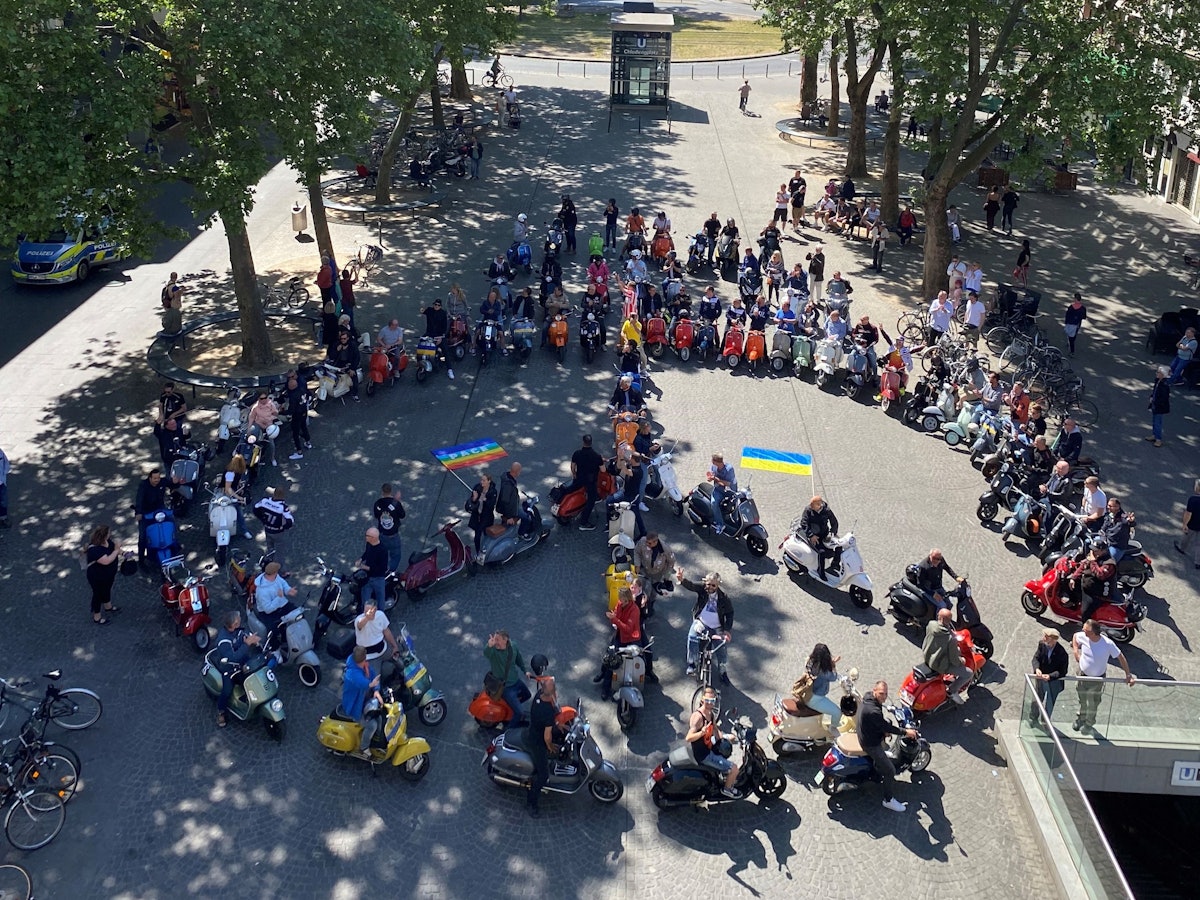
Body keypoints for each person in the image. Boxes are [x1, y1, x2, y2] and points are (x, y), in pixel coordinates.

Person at [857, 680, 919, 812]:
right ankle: (888, 800)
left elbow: (879, 723)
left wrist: (883, 730)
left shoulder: (868, 697)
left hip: (865, 732)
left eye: (886, 694)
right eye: (881, 693)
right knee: (890, 771)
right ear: (874, 691)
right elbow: (886, 726)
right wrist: (906, 732)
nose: (884, 697)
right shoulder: (874, 710)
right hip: (870, 743)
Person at [1071, 620, 1135, 732]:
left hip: (1097, 680)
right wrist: (1076, 652)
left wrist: (1128, 674)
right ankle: (1081, 717)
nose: (1083, 631)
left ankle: (1089, 723)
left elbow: (1121, 657)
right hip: (1082, 675)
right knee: (1082, 699)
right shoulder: (1083, 636)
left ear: (1093, 633)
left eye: (1086, 630)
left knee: (1093, 702)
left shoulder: (1107, 644)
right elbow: (1075, 637)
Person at [593, 587, 655, 697]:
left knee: (641, 657)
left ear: (627, 599)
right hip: (620, 636)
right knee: (610, 658)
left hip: (632, 638)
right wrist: (613, 617)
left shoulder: (634, 610)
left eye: (622, 599)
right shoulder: (620, 604)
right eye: (620, 599)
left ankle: (646, 673)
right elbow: (617, 616)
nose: (620, 602)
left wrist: (615, 619)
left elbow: (628, 629)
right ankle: (605, 685)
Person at [678, 568, 733, 683]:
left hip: (717, 627)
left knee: (721, 648)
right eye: (708, 584)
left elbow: (730, 613)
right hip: (701, 622)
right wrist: (682, 580)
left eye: (713, 585)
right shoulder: (703, 589)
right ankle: (692, 664)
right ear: (705, 583)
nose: (710, 587)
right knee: (692, 637)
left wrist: (727, 630)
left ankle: (722, 670)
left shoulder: (724, 597)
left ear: (718, 585)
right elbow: (692, 586)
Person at [686, 687, 741, 797]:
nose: (710, 703)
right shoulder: (698, 717)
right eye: (707, 700)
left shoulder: (710, 714)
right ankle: (727, 789)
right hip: (704, 755)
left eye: (712, 701)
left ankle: (722, 775)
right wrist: (701, 733)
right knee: (734, 769)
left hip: (709, 747)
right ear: (702, 700)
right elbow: (688, 737)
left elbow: (715, 728)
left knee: (727, 746)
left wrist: (724, 737)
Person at [213, 610, 261, 727]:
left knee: (255, 671)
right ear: (234, 624)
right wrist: (247, 644)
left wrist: (251, 639)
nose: (240, 621)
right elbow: (233, 657)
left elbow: (243, 635)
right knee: (227, 690)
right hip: (229, 667)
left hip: (242, 660)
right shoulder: (223, 641)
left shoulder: (238, 629)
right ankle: (221, 711)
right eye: (238, 620)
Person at [525, 675, 561, 817]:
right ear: (551, 693)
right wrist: (550, 746)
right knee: (543, 775)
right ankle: (531, 802)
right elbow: (547, 737)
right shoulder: (547, 712)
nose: (556, 691)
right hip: (537, 741)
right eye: (554, 689)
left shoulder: (539, 694)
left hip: (535, 729)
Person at [342, 646, 385, 759]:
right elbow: (362, 682)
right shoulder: (352, 673)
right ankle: (364, 748)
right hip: (355, 707)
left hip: (365, 701)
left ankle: (376, 739)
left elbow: (373, 676)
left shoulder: (361, 664)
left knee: (380, 715)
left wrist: (376, 690)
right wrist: (372, 685)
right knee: (372, 725)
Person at [923, 608, 973, 704]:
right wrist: (961, 660)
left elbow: (941, 632)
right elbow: (954, 660)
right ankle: (952, 691)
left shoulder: (931, 624)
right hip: (939, 665)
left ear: (939, 617)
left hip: (928, 657)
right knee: (968, 673)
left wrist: (950, 631)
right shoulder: (950, 639)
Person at [484, 630, 529, 729]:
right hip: (505, 687)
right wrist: (489, 646)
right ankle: (508, 730)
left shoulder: (513, 647)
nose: (495, 642)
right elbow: (486, 653)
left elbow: (518, 659)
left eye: (497, 640)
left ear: (506, 640)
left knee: (527, 695)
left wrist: (525, 671)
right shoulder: (494, 652)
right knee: (520, 713)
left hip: (515, 681)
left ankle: (511, 708)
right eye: (494, 639)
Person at [1067, 539, 1118, 624]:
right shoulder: (1094, 556)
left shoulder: (1109, 564)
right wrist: (1074, 577)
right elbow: (1083, 566)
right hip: (1087, 585)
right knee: (1067, 583)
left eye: (1096, 550)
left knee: (1085, 613)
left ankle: (1086, 627)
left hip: (1097, 594)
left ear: (1103, 550)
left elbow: (1100, 575)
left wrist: (1093, 561)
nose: (1093, 552)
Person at [562, 435, 603, 532]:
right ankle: (583, 522)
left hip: (579, 479)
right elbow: (603, 470)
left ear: (583, 442)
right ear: (591, 442)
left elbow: (573, 467)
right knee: (591, 500)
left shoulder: (577, 453)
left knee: (570, 490)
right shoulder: (596, 456)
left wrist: (574, 475)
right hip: (590, 482)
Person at [803, 643, 843, 738]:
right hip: (816, 698)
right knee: (837, 712)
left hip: (808, 694)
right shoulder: (823, 671)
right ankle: (833, 728)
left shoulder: (810, 662)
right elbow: (833, 677)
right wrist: (833, 665)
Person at [1029, 629, 1069, 724]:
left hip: (1054, 683)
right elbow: (1036, 658)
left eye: (1046, 637)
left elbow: (1062, 671)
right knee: (1036, 700)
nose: (1044, 638)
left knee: (1049, 704)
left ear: (1052, 639)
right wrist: (1037, 669)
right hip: (1041, 679)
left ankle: (1045, 722)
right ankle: (1033, 718)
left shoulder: (1062, 653)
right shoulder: (1042, 645)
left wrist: (1050, 676)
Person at [84, 525, 122, 625]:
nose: (110, 534)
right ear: (104, 535)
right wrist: (117, 550)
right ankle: (97, 617)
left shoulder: (107, 541)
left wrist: (123, 553)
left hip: (108, 574)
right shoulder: (94, 549)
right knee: (98, 594)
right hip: (97, 576)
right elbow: (106, 561)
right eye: (109, 533)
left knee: (107, 589)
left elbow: (113, 549)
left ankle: (108, 606)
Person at [252, 561, 299, 640]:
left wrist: (288, 590)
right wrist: (279, 597)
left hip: (281, 604)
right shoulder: (261, 591)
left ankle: (289, 636)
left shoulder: (276, 577)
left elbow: (283, 583)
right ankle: (274, 645)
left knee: (297, 613)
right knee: (273, 631)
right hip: (267, 613)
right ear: (273, 573)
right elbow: (268, 609)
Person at [800, 495, 841, 582]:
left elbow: (834, 522)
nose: (811, 507)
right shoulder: (808, 510)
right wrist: (811, 535)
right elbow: (804, 523)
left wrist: (832, 533)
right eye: (811, 505)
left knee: (839, 546)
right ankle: (820, 571)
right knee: (822, 552)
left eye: (814, 505)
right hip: (814, 536)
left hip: (825, 534)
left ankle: (835, 563)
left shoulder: (826, 510)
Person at [253, 487, 295, 569]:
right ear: (283, 496)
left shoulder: (265, 501)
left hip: (267, 529)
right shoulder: (283, 507)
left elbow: (255, 509)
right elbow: (290, 521)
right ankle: (280, 570)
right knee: (280, 551)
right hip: (278, 532)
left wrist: (263, 520)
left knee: (270, 547)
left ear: (274, 494)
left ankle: (268, 564)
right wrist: (284, 526)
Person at [134, 469, 167, 568]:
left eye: (158, 478)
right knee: (143, 537)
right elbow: (139, 499)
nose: (157, 480)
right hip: (146, 513)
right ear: (150, 478)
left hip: (158, 512)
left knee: (166, 528)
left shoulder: (162, 482)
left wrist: (176, 483)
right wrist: (138, 512)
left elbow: (171, 483)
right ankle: (141, 560)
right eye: (155, 478)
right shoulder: (143, 485)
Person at [355, 596, 401, 662]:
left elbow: (386, 631)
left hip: (382, 649)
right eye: (365, 611)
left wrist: (395, 646)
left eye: (369, 611)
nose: (366, 613)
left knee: (398, 662)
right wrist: (367, 618)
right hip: (368, 656)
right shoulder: (359, 619)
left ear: (375, 609)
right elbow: (359, 625)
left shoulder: (381, 615)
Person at [372, 484, 405, 573]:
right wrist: (396, 501)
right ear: (391, 491)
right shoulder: (396, 504)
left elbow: (377, 515)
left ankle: (381, 568)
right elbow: (402, 515)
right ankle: (390, 572)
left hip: (382, 535)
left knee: (382, 553)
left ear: (382, 491)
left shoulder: (378, 503)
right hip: (393, 536)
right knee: (396, 556)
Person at [353, 527, 390, 608]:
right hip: (367, 577)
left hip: (378, 578)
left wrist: (365, 567)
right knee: (365, 601)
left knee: (380, 600)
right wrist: (361, 559)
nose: (365, 537)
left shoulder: (383, 550)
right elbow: (367, 553)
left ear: (373, 538)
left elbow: (382, 569)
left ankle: (380, 614)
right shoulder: (369, 544)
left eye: (367, 536)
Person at [497, 462, 533, 539]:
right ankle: (522, 533)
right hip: (511, 509)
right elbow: (505, 501)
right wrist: (509, 517)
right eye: (520, 471)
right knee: (526, 518)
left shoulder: (508, 478)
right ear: (517, 472)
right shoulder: (508, 485)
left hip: (510, 506)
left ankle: (505, 527)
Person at [420, 298, 454, 380]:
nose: (436, 306)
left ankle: (449, 369)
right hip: (429, 333)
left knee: (445, 350)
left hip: (439, 335)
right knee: (421, 343)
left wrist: (440, 337)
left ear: (440, 306)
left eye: (438, 305)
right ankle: (420, 361)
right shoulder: (429, 310)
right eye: (435, 304)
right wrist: (422, 306)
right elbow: (423, 311)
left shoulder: (443, 313)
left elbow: (444, 327)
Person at [223, 455, 253, 540]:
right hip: (227, 495)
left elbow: (237, 481)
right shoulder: (230, 474)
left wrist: (240, 486)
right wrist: (239, 497)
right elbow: (228, 489)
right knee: (236, 513)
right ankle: (241, 531)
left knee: (239, 514)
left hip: (233, 492)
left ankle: (244, 531)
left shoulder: (236, 471)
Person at [246, 392, 280, 468]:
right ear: (258, 399)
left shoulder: (271, 405)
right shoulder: (255, 407)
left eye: (265, 398)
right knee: (254, 438)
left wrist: (272, 417)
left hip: (269, 426)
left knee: (271, 444)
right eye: (262, 398)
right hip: (259, 424)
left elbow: (276, 414)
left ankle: (272, 458)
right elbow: (252, 417)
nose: (264, 400)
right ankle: (252, 457)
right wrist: (249, 428)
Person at [706, 453, 737, 536]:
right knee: (714, 503)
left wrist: (716, 479)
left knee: (736, 504)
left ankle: (735, 519)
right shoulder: (714, 467)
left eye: (713, 460)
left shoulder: (729, 469)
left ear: (716, 462)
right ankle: (720, 524)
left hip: (730, 491)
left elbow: (728, 483)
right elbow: (711, 473)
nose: (712, 462)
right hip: (719, 490)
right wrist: (710, 477)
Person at [466, 473, 498, 553]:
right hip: (477, 516)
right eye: (481, 480)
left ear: (489, 481)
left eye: (484, 480)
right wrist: (474, 498)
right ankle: (478, 552)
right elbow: (471, 503)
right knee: (477, 536)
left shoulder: (493, 491)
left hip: (486, 517)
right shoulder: (477, 488)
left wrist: (485, 500)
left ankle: (487, 548)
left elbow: (492, 505)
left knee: (487, 534)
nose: (481, 482)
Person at [284, 371, 311, 461]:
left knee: (295, 433)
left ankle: (299, 452)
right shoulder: (302, 389)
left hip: (297, 415)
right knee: (304, 427)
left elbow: (291, 410)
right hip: (304, 411)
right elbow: (308, 394)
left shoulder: (293, 397)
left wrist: (281, 412)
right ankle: (308, 442)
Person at [1174, 478, 1200, 570]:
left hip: (1192, 524)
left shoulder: (1193, 500)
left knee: (1186, 537)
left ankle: (1182, 549)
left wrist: (1185, 524)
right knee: (1199, 544)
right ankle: (1198, 562)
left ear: (1197, 488)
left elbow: (1188, 514)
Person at [329, 330, 362, 400]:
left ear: (348, 338)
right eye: (341, 339)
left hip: (349, 364)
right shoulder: (337, 344)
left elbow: (357, 357)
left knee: (354, 377)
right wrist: (337, 350)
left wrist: (352, 368)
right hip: (338, 363)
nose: (343, 340)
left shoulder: (352, 345)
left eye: (344, 339)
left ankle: (355, 394)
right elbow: (331, 356)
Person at [1100, 498, 1134, 562]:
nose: (1108, 507)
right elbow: (1103, 528)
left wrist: (1131, 521)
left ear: (1117, 507)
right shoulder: (1109, 515)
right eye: (1108, 505)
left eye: (1110, 506)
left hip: (1117, 546)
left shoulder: (1123, 517)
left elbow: (1130, 523)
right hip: (1107, 541)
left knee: (1109, 562)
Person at [1147, 364, 1171, 447]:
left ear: (1163, 374)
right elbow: (1155, 391)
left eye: (1158, 372)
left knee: (1158, 422)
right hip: (1155, 404)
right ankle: (1154, 435)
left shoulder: (1164, 385)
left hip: (1159, 406)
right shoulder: (1158, 381)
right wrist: (1152, 397)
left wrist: (1155, 401)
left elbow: (1164, 398)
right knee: (1154, 421)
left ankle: (1158, 439)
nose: (1157, 373)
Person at [0, 445, 8, 528]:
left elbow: (6, 463)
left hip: (1, 483)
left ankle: (3, 519)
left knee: (3, 501)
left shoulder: (0, 452)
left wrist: (4, 474)